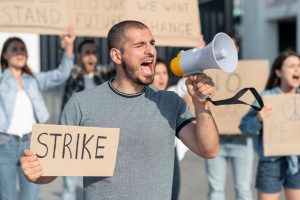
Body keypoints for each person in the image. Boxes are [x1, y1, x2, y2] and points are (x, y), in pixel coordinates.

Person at [20, 20, 220, 200]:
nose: (150, 51)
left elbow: (208, 149)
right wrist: (36, 172)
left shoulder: (170, 102)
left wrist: (201, 105)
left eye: (152, 43)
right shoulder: (82, 103)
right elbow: (51, 168)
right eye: (140, 45)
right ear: (116, 55)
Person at [0, 27, 75, 200]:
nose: (20, 52)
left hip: (32, 142)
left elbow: (61, 74)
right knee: (7, 196)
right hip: (4, 143)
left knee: (32, 195)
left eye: (22, 49)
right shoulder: (1, 80)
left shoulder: (33, 79)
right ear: (5, 55)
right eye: (15, 49)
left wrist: (69, 45)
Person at [239, 51, 300, 200]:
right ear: (278, 72)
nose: (297, 70)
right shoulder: (266, 98)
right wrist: (258, 119)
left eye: (299, 66)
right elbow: (244, 126)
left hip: (297, 163)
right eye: (292, 66)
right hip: (271, 165)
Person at [61, 39, 115, 200]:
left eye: (94, 52)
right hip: (73, 135)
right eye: (86, 53)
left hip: (97, 138)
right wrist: (66, 45)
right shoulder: (72, 73)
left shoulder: (103, 74)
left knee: (97, 184)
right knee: (70, 185)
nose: (91, 57)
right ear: (79, 55)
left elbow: (120, 63)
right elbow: (63, 66)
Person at [204, 34, 254, 200]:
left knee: (243, 190)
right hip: (216, 140)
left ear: (238, 49)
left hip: (242, 140)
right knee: (216, 190)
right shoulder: (207, 74)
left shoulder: (250, 74)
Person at [151, 58, 180, 200]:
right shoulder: (142, 98)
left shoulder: (175, 95)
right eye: (157, 73)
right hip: (149, 156)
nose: (161, 77)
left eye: (164, 73)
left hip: (170, 155)